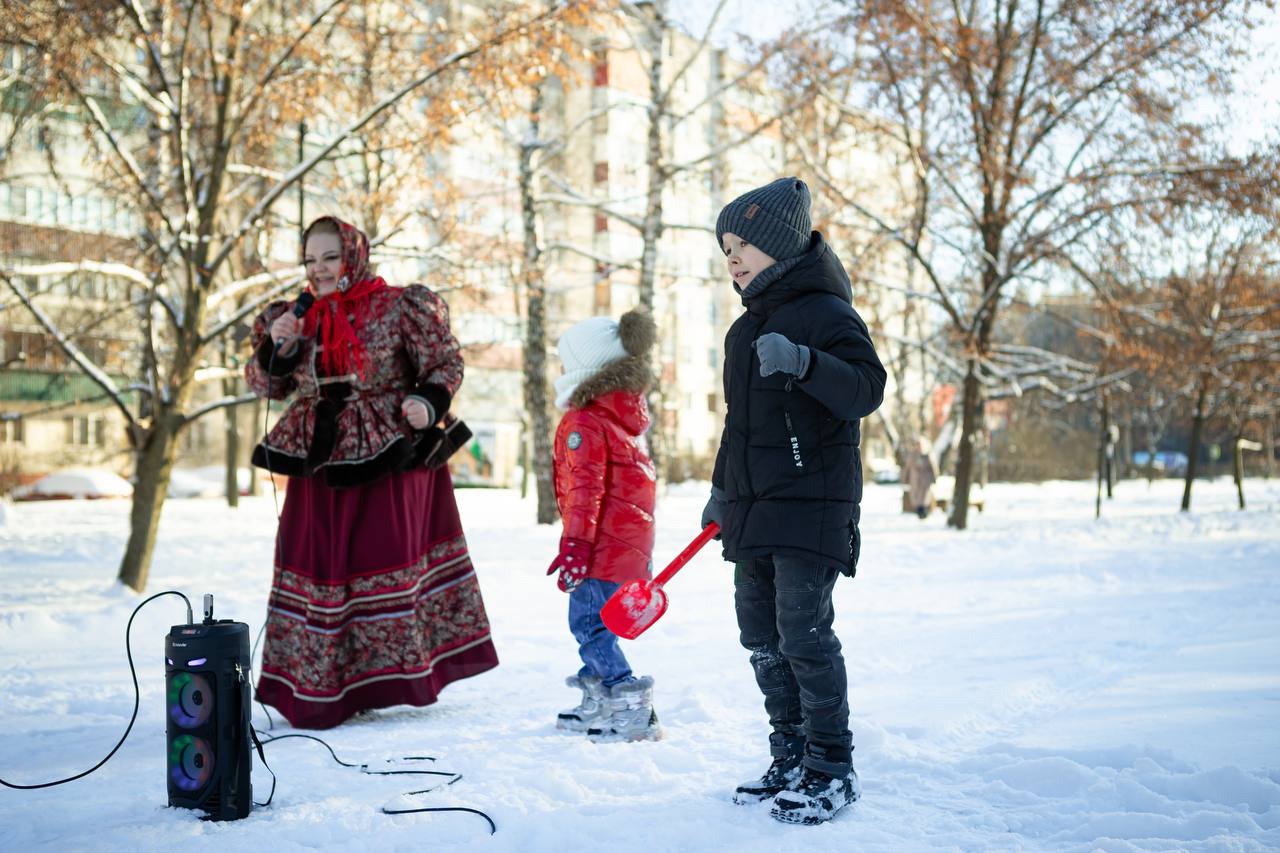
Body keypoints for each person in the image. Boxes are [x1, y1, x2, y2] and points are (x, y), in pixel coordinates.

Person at [244, 215, 498, 729]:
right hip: (319, 459)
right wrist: (280, 348)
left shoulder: (400, 304)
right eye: (310, 259)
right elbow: (265, 385)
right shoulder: (294, 315)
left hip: (390, 454)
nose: (318, 270)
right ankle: (323, 686)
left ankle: (390, 679)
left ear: (354, 256)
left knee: (381, 558)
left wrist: (427, 401)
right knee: (319, 562)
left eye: (329, 257)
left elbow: (444, 363)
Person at [701, 178, 886, 824]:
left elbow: (866, 388)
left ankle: (831, 764)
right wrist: (722, 492)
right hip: (754, 508)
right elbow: (738, 428)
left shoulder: (829, 315)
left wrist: (807, 362)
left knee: (802, 633)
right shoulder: (740, 335)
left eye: (743, 243)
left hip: (813, 503)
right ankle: (790, 753)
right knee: (760, 634)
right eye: (725, 246)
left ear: (779, 246)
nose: (731, 257)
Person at [546, 309, 661, 742]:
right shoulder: (622, 419)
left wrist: (575, 546)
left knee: (589, 627)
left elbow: (585, 492)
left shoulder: (585, 421)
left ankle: (629, 704)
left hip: (599, 549)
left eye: (565, 361)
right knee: (596, 623)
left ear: (585, 366)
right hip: (622, 547)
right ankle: (598, 697)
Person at [905, 436, 936, 519]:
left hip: (925, 479)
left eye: (920, 445)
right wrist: (905, 479)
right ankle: (919, 512)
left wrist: (934, 478)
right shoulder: (912, 456)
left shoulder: (927, 455)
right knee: (916, 496)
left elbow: (933, 467)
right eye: (917, 445)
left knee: (924, 496)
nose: (919, 447)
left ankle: (923, 512)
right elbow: (907, 468)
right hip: (915, 479)